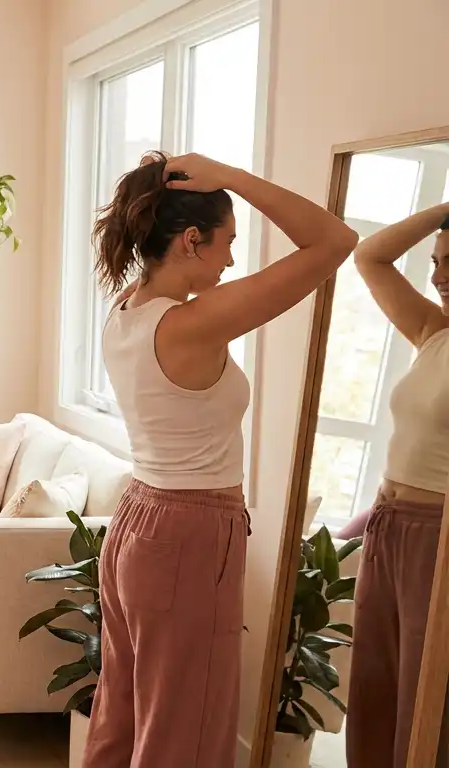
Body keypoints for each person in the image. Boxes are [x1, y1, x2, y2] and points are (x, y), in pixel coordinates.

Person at [83, 151, 357, 767]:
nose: (232, 258)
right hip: (189, 532)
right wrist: (230, 177)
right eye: (227, 242)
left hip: (137, 522)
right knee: (183, 734)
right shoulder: (188, 325)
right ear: (190, 241)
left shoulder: (127, 308)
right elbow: (335, 240)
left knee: (122, 719)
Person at [337, 204, 449, 768]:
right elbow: (369, 255)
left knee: (424, 701)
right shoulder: (434, 330)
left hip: (439, 540)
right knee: (375, 688)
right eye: (436, 262)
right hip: (389, 525)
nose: (440, 276)